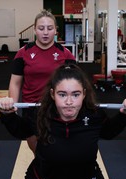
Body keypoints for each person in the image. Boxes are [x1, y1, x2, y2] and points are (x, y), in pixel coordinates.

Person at [0, 64, 126, 179]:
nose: (69, 101)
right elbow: (20, 130)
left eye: (75, 94)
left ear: (84, 94)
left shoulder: (94, 115)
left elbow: (109, 131)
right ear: (53, 94)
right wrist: (8, 114)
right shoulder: (39, 114)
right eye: (62, 94)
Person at [9, 9, 76, 153]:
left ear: (55, 31)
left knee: (57, 149)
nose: (45, 32)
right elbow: (15, 82)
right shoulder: (23, 53)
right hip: (30, 108)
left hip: (56, 107)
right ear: (34, 30)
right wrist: (12, 106)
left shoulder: (65, 54)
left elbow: (76, 83)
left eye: (50, 28)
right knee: (38, 153)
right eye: (41, 28)